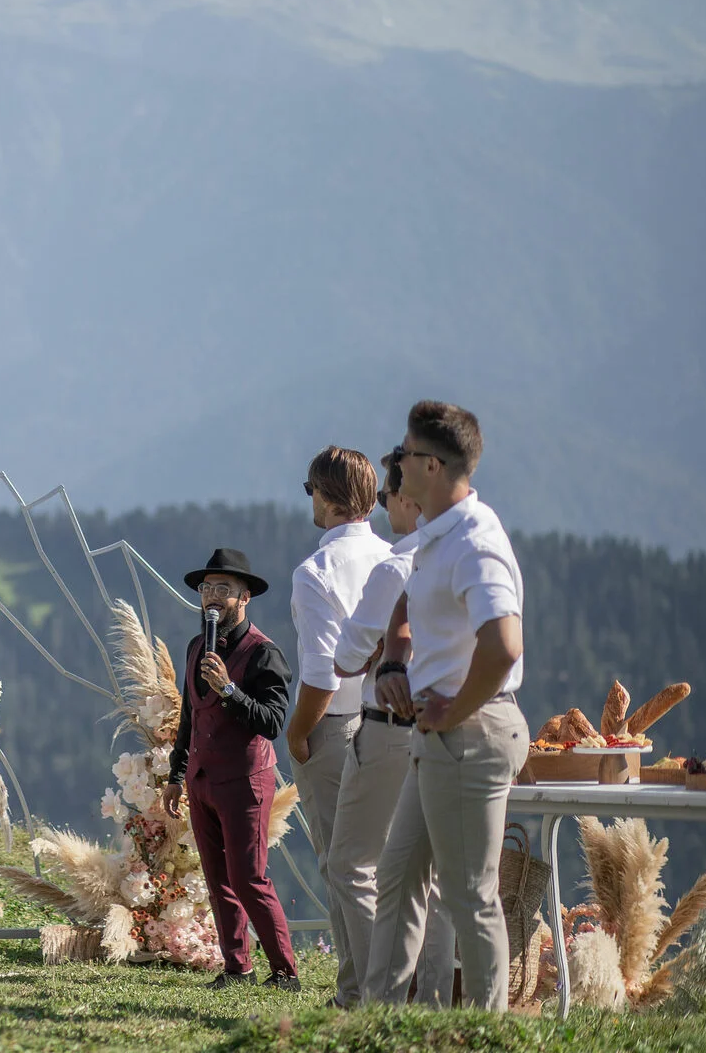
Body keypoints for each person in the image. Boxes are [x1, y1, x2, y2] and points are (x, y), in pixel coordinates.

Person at [364, 402, 529, 1011]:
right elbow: (410, 603)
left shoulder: (476, 542)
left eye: (404, 453)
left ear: (431, 465)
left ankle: (488, 1033)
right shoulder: (439, 535)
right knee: (399, 877)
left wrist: (454, 710)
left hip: (472, 733)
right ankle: (377, 1021)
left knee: (469, 895)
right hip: (442, 736)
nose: (396, 463)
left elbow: (505, 644)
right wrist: (391, 662)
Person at [325, 456, 454, 1007]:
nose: (383, 508)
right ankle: (440, 1001)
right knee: (443, 877)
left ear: (408, 499)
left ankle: (378, 996)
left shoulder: (394, 567)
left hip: (387, 729)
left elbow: (346, 655)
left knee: (354, 864)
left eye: (388, 497)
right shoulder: (455, 558)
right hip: (453, 729)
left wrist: (376, 655)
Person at [284, 446, 392, 1008]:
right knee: (378, 862)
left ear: (326, 497)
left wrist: (297, 733)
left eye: (310, 490)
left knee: (341, 863)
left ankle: (365, 992)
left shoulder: (315, 571)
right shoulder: (396, 558)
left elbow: (321, 672)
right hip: (391, 725)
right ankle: (364, 988)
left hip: (334, 724)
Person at [163, 549, 299, 991]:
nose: (212, 598)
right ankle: (237, 966)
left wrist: (230, 690)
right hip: (202, 780)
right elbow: (191, 716)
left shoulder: (265, 655)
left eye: (224, 589)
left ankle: (285, 971)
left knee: (248, 877)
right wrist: (176, 773)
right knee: (217, 878)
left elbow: (273, 723)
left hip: (245, 781)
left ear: (245, 597)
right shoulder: (194, 646)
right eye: (207, 589)